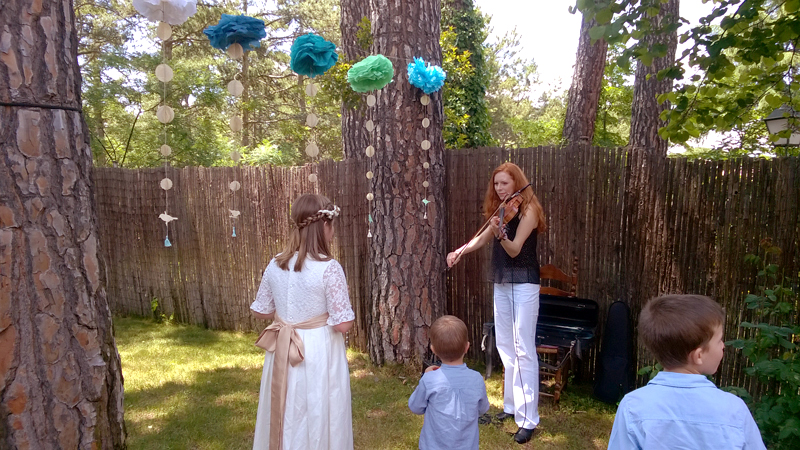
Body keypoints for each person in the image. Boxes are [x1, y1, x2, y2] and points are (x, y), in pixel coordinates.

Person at [446, 162, 546, 444]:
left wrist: (501, 233)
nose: (500, 188)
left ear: (517, 183)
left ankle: (528, 419)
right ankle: (511, 407)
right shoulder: (502, 209)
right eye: (497, 184)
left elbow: (514, 250)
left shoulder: (529, 210)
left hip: (524, 284)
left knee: (523, 349)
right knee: (505, 346)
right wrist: (460, 251)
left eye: (505, 183)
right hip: (502, 283)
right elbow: (481, 238)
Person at [250, 193, 355, 450]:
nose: (333, 232)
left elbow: (261, 311)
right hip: (317, 350)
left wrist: (289, 314)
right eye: (332, 226)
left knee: (286, 404)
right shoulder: (328, 268)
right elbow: (342, 324)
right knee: (316, 406)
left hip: (283, 347)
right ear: (324, 225)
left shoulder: (276, 263)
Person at [607, 294, 766, 450]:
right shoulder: (734, 409)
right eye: (719, 340)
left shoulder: (633, 407)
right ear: (698, 356)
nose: (723, 346)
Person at [408, 315, 490, 450]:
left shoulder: (429, 379)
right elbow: (482, 408)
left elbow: (415, 407)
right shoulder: (476, 379)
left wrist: (425, 376)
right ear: (467, 347)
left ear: (433, 349)